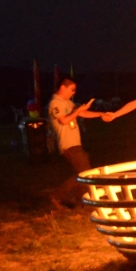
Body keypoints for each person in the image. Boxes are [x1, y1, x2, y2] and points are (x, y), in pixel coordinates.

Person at [48, 78, 107, 210]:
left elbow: (83, 113)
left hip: (75, 143)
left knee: (83, 173)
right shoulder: (55, 103)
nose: (73, 93)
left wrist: (101, 114)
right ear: (63, 87)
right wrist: (79, 110)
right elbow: (64, 120)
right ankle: (58, 195)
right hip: (68, 144)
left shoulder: (67, 102)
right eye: (72, 89)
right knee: (84, 173)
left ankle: (81, 200)